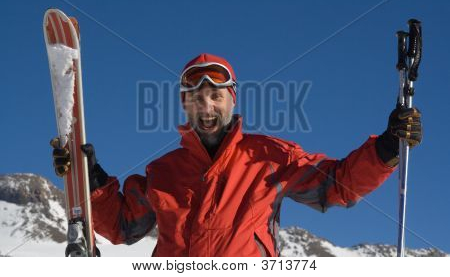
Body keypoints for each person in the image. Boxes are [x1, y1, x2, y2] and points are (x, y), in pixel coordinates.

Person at [52, 53, 422, 257]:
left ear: (233, 99)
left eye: (216, 96)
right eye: (196, 98)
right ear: (185, 105)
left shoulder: (271, 158)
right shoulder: (163, 172)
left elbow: (337, 186)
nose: (207, 106)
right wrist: (92, 180)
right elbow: (121, 227)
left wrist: (386, 148)